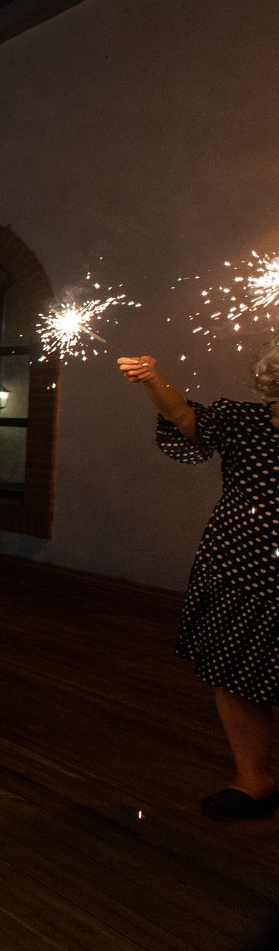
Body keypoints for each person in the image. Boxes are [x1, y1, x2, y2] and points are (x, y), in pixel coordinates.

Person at [120, 350, 279, 818]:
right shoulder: (242, 421)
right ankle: (255, 779)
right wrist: (152, 376)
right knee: (235, 674)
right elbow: (185, 418)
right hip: (238, 567)